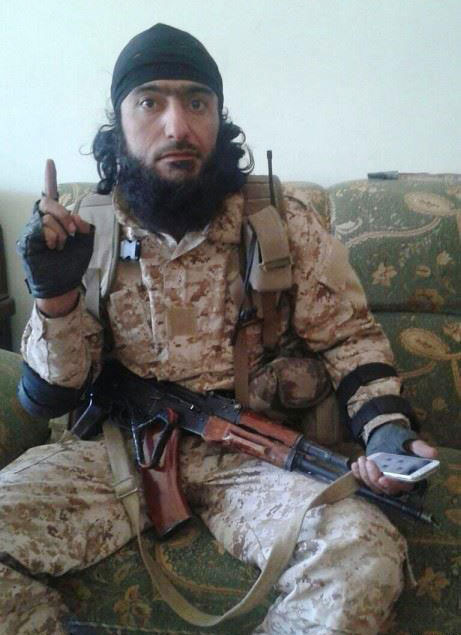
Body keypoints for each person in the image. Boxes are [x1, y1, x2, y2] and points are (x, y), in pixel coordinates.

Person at [4, 23, 437, 635]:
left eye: (196, 102)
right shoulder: (83, 232)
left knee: (364, 554)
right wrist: (54, 297)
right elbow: (52, 392)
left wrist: (387, 432)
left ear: (218, 116)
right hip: (115, 450)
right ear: (119, 120)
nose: (177, 126)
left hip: (250, 454)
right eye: (150, 102)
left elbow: (349, 339)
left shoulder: (278, 221)